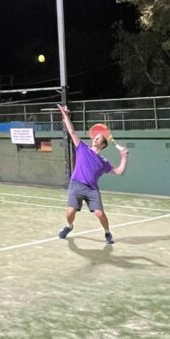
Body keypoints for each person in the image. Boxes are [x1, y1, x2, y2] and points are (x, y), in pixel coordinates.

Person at [57, 104, 128, 244]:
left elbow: (119, 172)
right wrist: (66, 116)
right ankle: (69, 226)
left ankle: (107, 233)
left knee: (100, 213)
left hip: (92, 190)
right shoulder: (82, 148)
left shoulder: (103, 162)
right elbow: (71, 132)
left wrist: (124, 157)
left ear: (103, 144)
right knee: (70, 212)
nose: (96, 138)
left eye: (100, 138)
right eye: (95, 137)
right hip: (76, 184)